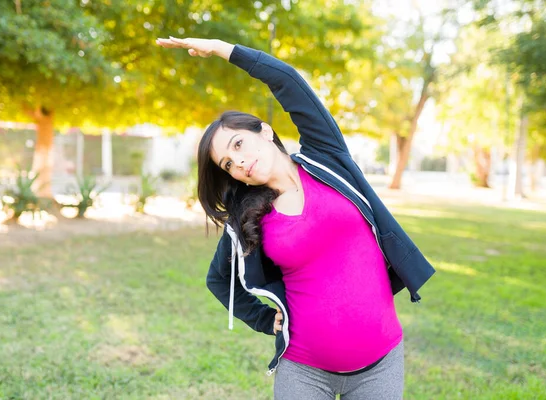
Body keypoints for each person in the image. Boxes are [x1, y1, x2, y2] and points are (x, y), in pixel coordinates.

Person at [156, 36, 435, 400]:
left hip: (380, 365)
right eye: (228, 163)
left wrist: (224, 50)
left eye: (238, 144)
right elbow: (218, 279)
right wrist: (260, 318)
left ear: (265, 131)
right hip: (304, 372)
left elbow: (288, 81)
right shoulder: (248, 216)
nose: (237, 161)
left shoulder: (327, 158)